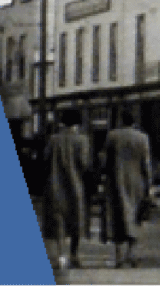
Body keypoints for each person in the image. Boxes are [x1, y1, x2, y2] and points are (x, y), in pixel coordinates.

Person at [97, 109, 155, 268]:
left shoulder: (112, 136)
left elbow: (104, 161)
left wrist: (102, 176)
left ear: (121, 121)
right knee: (135, 218)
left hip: (116, 182)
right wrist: (149, 185)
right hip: (137, 183)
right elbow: (146, 164)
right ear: (134, 122)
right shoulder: (143, 138)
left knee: (116, 218)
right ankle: (131, 254)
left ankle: (118, 256)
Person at [42, 110, 94, 271]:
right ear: (77, 124)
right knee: (76, 218)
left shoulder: (53, 139)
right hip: (75, 185)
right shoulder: (82, 140)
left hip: (55, 185)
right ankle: (74, 255)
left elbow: (45, 159)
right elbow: (84, 164)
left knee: (58, 220)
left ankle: (60, 255)